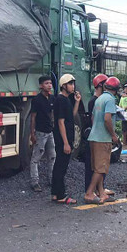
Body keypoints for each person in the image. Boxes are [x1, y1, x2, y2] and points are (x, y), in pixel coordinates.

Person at [85, 76, 121, 204]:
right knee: (101, 168)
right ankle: (89, 193)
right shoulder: (111, 99)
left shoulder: (99, 99)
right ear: (116, 89)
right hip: (103, 138)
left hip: (94, 136)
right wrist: (113, 135)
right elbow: (107, 119)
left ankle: (101, 193)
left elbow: (93, 118)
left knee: (97, 167)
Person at [51, 74, 81, 204]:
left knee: (59, 165)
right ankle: (61, 195)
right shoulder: (61, 100)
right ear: (64, 86)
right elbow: (61, 122)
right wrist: (66, 143)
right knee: (61, 167)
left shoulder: (66, 99)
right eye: (70, 84)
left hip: (64, 138)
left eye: (73, 84)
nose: (73, 86)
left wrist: (77, 101)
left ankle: (55, 193)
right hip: (63, 139)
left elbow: (71, 116)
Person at [29, 75, 56, 193]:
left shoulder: (52, 98)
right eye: (46, 83)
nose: (49, 85)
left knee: (52, 156)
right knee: (36, 158)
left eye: (50, 83)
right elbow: (33, 117)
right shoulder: (37, 100)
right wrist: (32, 133)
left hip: (50, 132)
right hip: (40, 133)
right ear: (41, 86)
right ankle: (35, 182)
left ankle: (52, 179)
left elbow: (52, 113)